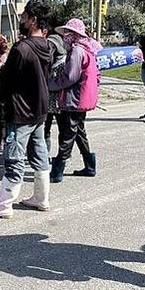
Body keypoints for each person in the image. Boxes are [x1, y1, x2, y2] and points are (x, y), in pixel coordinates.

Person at [0, 0, 52, 219]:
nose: (21, 19)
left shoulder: (22, 47)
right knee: (39, 153)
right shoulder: (46, 45)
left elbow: (8, 82)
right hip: (39, 109)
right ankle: (41, 197)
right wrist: (3, 67)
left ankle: (4, 204)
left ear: (33, 20)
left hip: (21, 111)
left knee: (14, 156)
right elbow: (27, 74)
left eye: (24, 16)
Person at [48, 18, 101, 184]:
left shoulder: (77, 51)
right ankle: (89, 166)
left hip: (74, 99)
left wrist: (51, 85)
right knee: (78, 132)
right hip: (83, 98)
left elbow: (70, 77)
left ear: (74, 35)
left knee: (67, 135)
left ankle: (57, 171)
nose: (65, 37)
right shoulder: (88, 49)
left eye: (67, 33)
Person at [43, 29, 67, 157]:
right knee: (44, 129)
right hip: (46, 101)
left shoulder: (63, 63)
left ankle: (62, 156)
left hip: (60, 102)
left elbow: (64, 82)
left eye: (52, 47)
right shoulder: (47, 63)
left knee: (63, 129)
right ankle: (44, 155)